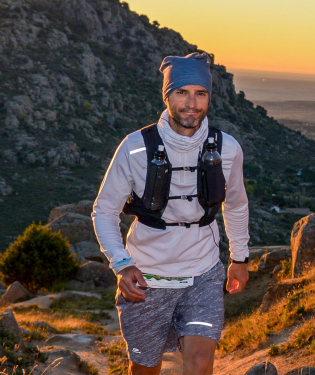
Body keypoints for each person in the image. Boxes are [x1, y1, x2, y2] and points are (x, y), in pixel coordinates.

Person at [91, 52, 250, 375]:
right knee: (145, 367)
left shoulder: (227, 147)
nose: (192, 103)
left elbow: (236, 203)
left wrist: (239, 259)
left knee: (202, 361)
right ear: (167, 96)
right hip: (148, 278)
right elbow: (104, 210)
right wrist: (122, 264)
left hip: (204, 274)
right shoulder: (135, 147)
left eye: (200, 93)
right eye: (182, 92)